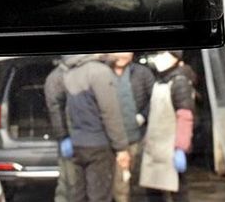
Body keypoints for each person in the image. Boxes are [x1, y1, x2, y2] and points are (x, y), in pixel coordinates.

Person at [53, 53, 131, 202]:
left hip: (77, 144)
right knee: (99, 195)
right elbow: (110, 112)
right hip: (99, 145)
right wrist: (121, 147)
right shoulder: (99, 72)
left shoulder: (70, 73)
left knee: (79, 195)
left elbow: (64, 109)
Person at [139, 51, 196, 202]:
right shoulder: (160, 81)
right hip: (155, 148)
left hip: (171, 149)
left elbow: (185, 117)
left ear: (174, 59)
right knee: (153, 190)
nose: (158, 58)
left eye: (163, 55)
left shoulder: (180, 82)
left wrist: (181, 148)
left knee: (177, 190)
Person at [106, 52, 156, 202]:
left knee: (134, 179)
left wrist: (143, 116)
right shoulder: (101, 72)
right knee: (114, 182)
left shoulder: (142, 73)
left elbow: (155, 98)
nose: (121, 55)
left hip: (136, 137)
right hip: (109, 139)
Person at [45, 57, 78, 202]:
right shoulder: (57, 77)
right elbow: (55, 110)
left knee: (68, 180)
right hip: (69, 135)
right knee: (70, 181)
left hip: (74, 135)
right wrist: (63, 136)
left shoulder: (66, 74)